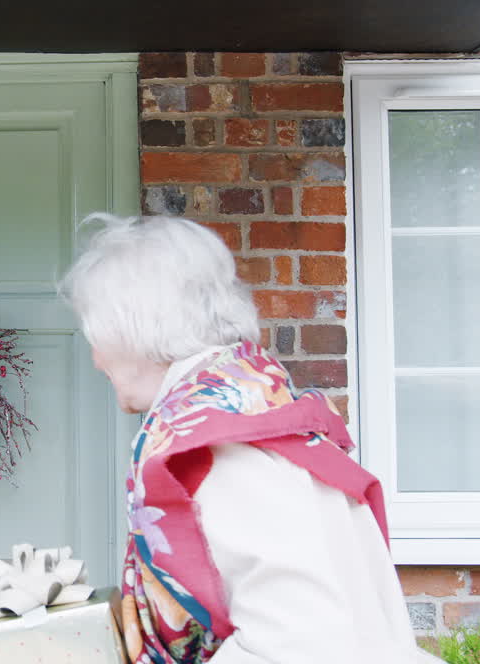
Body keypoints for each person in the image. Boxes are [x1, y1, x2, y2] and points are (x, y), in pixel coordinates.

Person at [58, 214, 439, 663]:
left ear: (132, 330)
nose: (96, 360)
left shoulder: (219, 447)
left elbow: (294, 644)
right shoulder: (256, 402)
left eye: (98, 337)